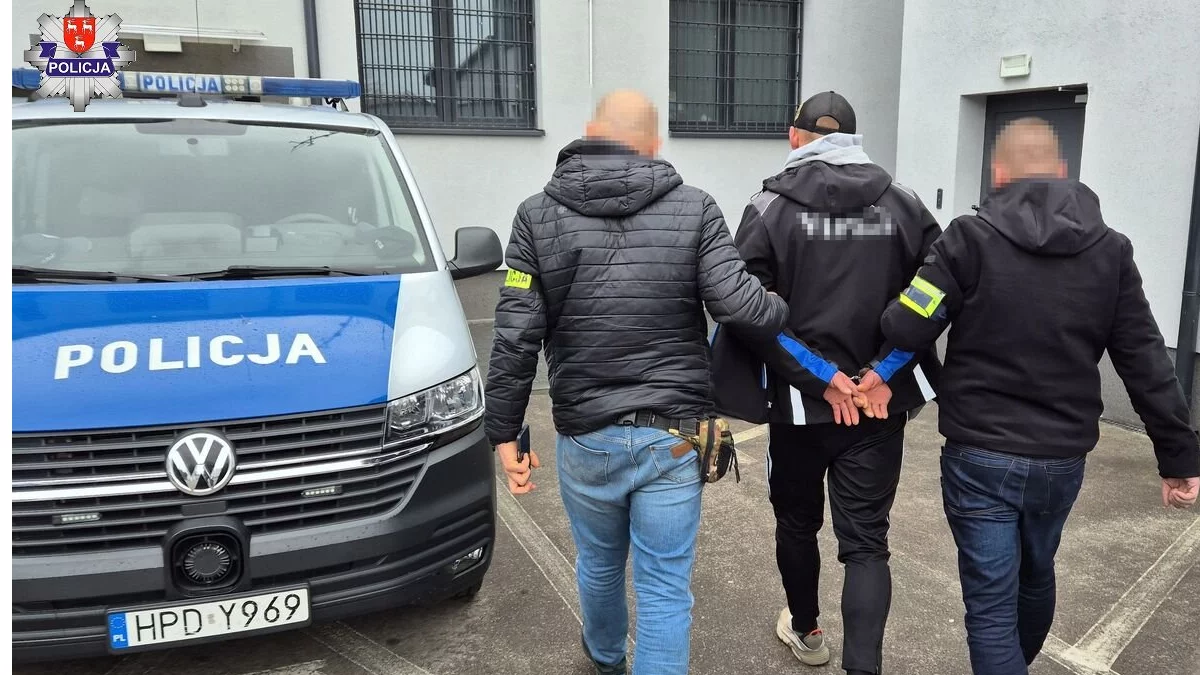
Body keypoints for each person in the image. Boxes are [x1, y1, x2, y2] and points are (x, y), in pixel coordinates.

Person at [871, 117, 1200, 675]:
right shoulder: (1112, 251)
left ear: (999, 172)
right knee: (1036, 573)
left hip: (980, 455)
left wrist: (906, 296)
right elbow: (1145, 361)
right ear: (1062, 170)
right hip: (1061, 460)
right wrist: (1179, 456)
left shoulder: (966, 239)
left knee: (991, 608)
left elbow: (907, 325)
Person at [484, 89, 789, 675]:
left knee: (599, 564)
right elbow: (741, 306)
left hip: (586, 434)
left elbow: (515, 334)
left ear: (590, 133)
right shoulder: (696, 208)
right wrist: (783, 303)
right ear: (651, 143)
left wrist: (504, 433)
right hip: (673, 436)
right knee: (664, 585)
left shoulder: (535, 215)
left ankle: (605, 659)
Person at [713, 90, 942, 675]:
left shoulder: (767, 207)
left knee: (796, 523)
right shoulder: (906, 205)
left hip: (799, 407)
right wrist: (882, 372)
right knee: (866, 544)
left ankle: (808, 631)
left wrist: (824, 379)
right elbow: (935, 294)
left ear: (795, 136)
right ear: (855, 139)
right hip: (877, 406)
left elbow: (748, 311)